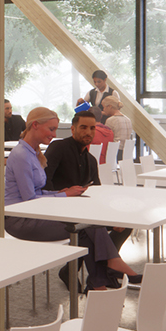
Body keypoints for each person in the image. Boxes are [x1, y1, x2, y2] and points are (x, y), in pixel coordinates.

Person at [43, 110, 135, 290]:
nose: (88, 132)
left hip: (83, 212)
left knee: (124, 223)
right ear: (72, 129)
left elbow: (97, 193)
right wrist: (63, 192)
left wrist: (111, 215)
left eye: (92, 128)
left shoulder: (91, 160)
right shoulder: (59, 148)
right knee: (91, 227)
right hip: (57, 209)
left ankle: (89, 268)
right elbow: (44, 183)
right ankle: (105, 270)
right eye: (83, 127)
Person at [102, 97, 133, 163]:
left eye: (104, 107)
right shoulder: (128, 119)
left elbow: (107, 139)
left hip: (114, 152)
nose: (103, 109)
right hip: (126, 152)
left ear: (110, 106)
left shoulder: (111, 120)